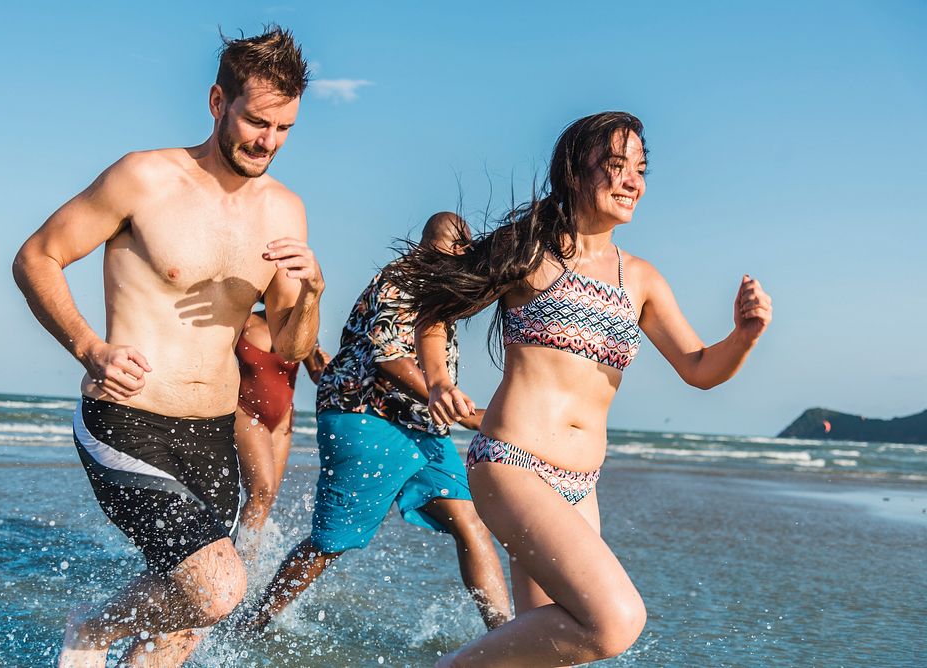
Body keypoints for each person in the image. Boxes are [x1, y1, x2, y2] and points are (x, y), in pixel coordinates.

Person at [385, 112, 773, 666]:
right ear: (574, 171)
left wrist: (744, 335)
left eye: (640, 169)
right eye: (615, 165)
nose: (632, 180)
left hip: (581, 484)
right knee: (615, 620)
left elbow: (700, 368)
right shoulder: (529, 252)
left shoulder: (641, 279)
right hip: (513, 464)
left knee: (552, 652)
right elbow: (435, 308)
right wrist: (439, 380)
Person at [12, 27, 323, 668]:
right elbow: (36, 256)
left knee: (181, 630)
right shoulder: (144, 177)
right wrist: (89, 348)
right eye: (256, 121)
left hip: (212, 435)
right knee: (218, 588)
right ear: (217, 103)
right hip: (126, 420)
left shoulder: (285, 210)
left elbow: (291, 346)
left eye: (284, 128)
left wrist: (313, 292)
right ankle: (93, 629)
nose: (268, 141)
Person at [246, 213, 512, 633]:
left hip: (422, 426)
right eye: (461, 248)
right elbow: (388, 358)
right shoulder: (404, 279)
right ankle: (250, 625)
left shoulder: (438, 288)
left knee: (470, 523)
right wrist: (456, 407)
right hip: (366, 417)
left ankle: (504, 636)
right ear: (442, 246)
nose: (465, 257)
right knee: (331, 542)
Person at [235, 307, 330, 537]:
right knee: (262, 491)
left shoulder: (300, 328)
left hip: (281, 422)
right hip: (244, 412)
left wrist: (327, 369)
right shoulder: (245, 320)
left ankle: (247, 554)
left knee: (266, 499)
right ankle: (237, 552)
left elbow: (318, 375)